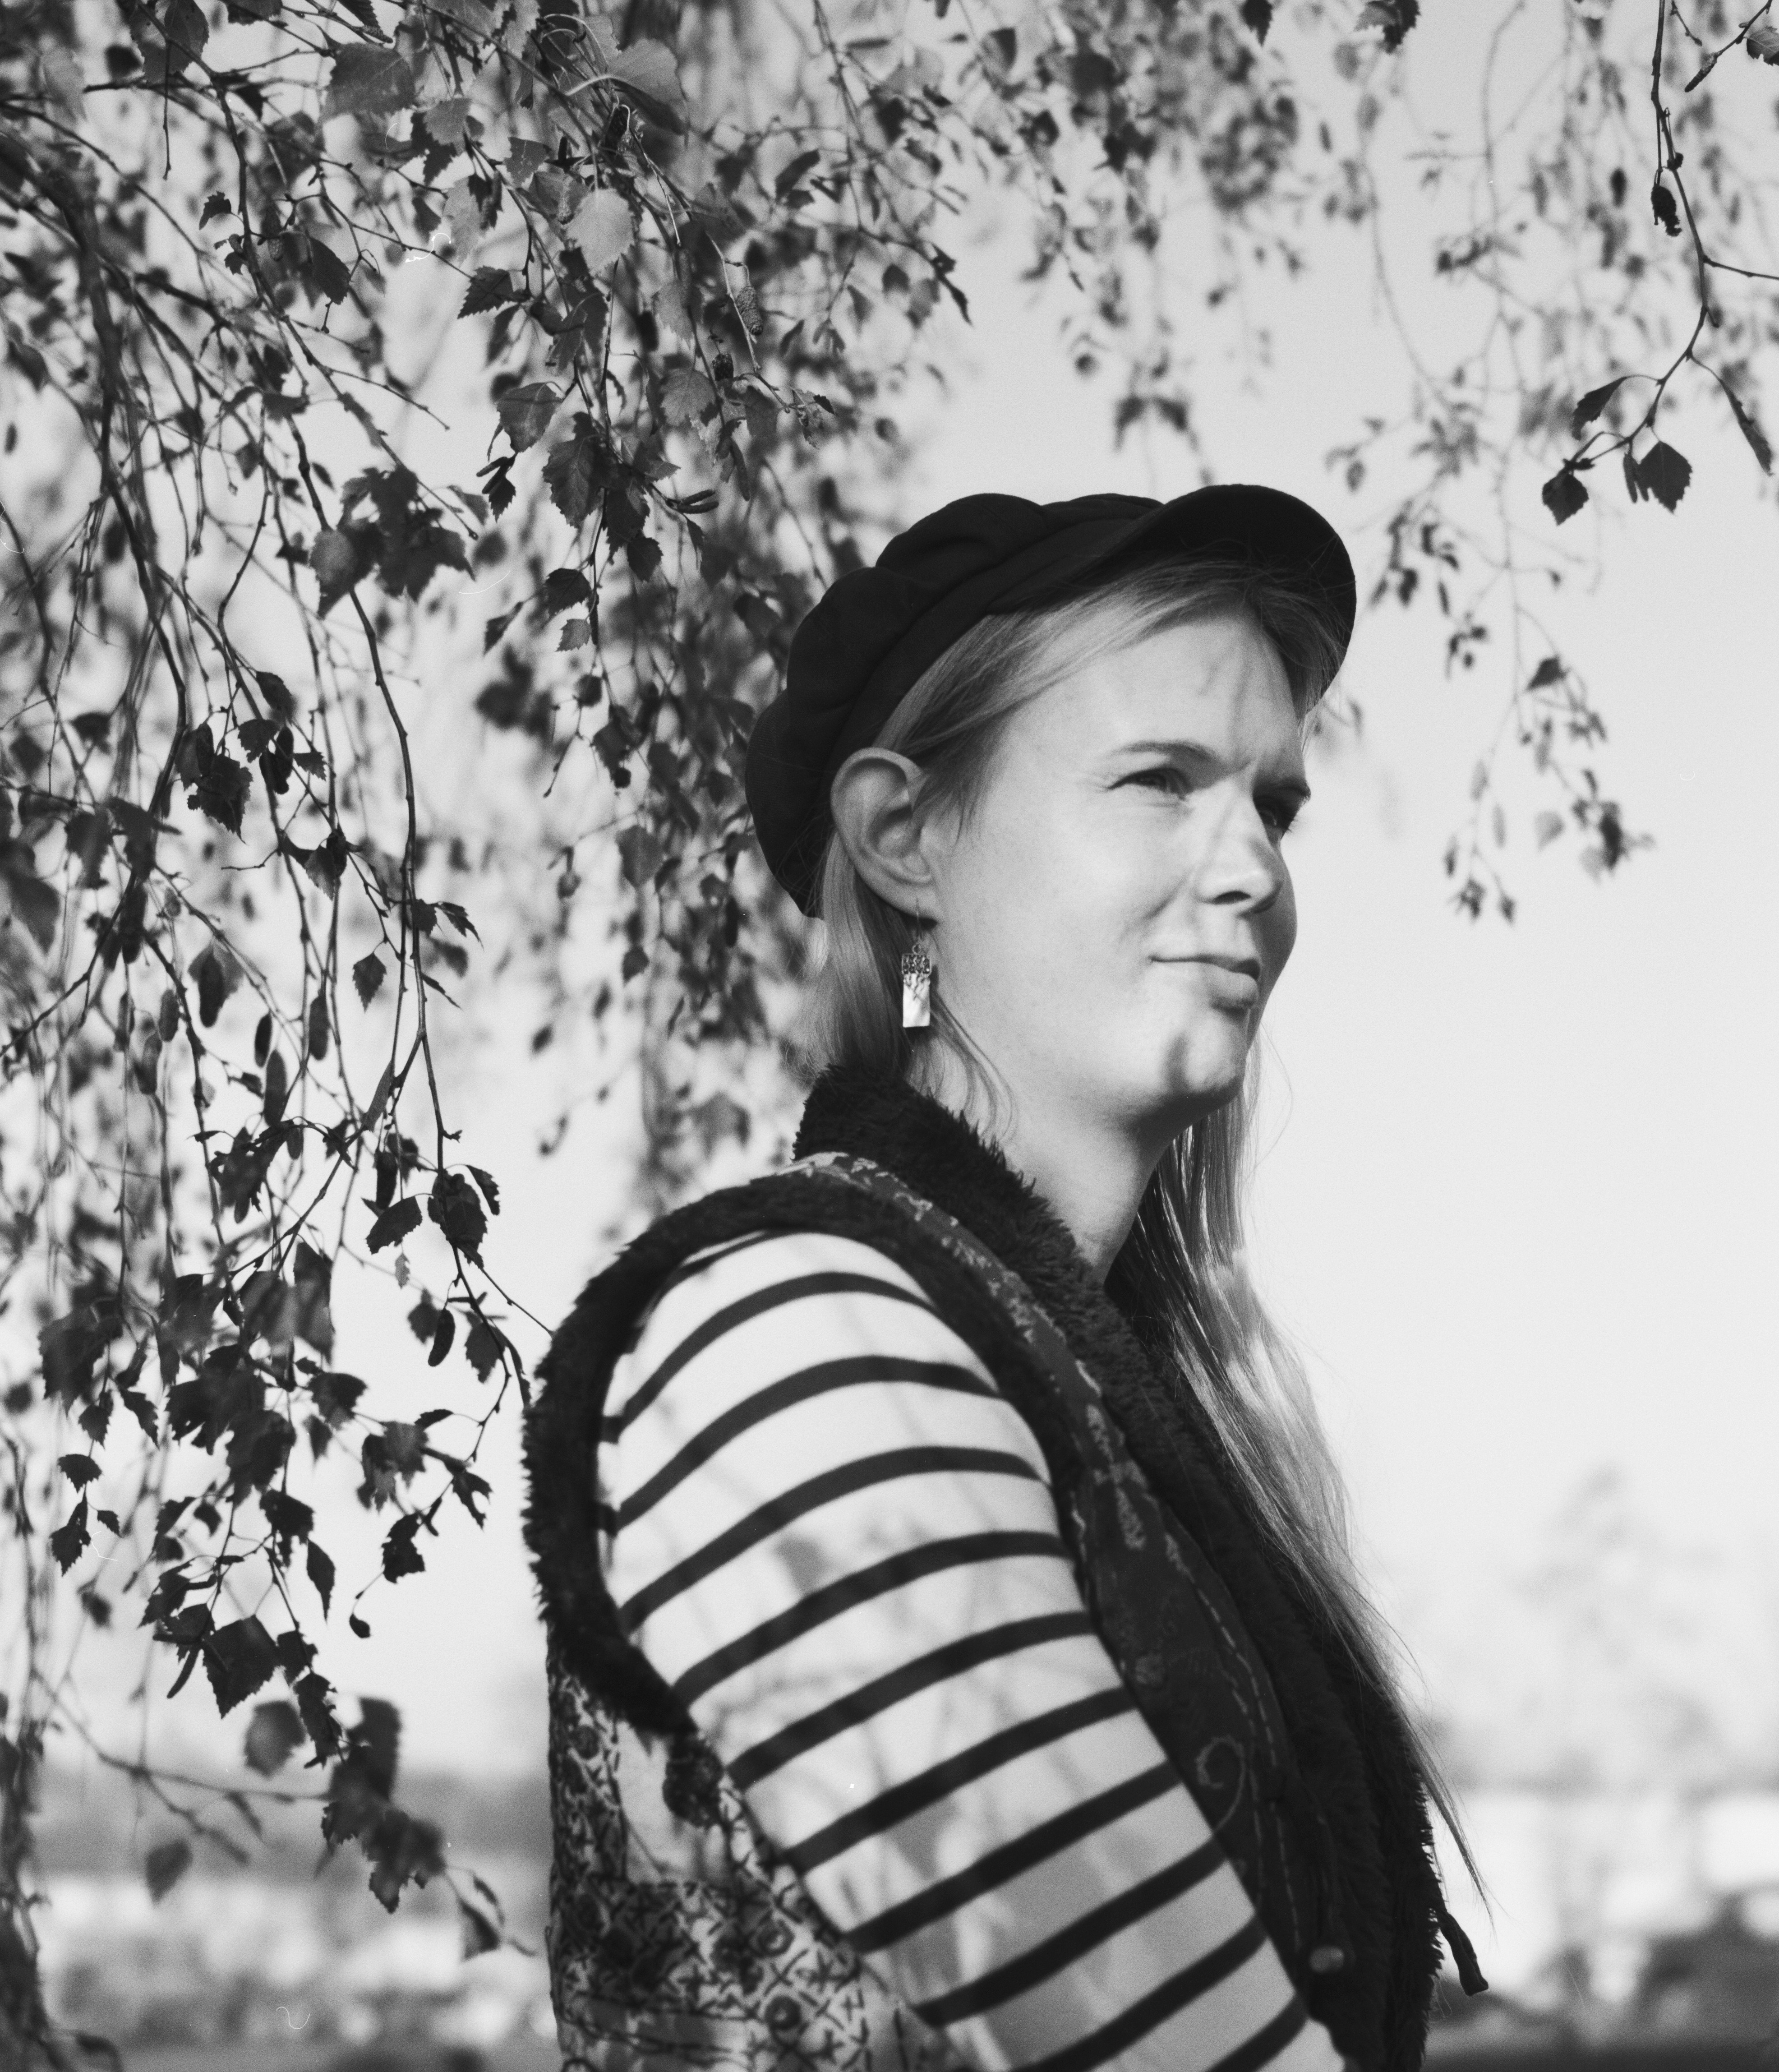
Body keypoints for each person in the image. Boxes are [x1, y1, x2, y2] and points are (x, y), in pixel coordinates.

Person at [523, 487, 1486, 2072]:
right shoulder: (795, 1343)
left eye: (1274, 806)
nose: (1252, 867)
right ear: (908, 837)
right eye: (1161, 780)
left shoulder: (1079, 1384)